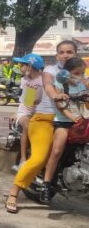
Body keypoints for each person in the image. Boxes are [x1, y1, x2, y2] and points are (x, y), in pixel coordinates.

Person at [5, 40, 78, 213]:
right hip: (44, 120)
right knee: (39, 158)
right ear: (57, 55)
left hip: (70, 119)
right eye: (62, 52)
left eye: (69, 52)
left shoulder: (79, 71)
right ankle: (14, 193)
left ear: (76, 53)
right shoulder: (49, 71)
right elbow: (46, 89)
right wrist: (55, 95)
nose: (65, 55)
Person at [41, 56, 88, 203]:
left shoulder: (82, 85)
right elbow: (61, 106)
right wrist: (71, 117)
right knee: (56, 151)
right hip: (64, 122)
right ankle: (46, 185)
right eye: (77, 73)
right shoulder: (60, 84)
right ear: (67, 72)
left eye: (82, 73)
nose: (80, 76)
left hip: (81, 121)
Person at [9, 54, 44, 172]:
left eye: (22, 65)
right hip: (25, 113)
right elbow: (28, 102)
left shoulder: (43, 80)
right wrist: (17, 113)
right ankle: (23, 160)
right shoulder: (26, 80)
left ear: (29, 67)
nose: (20, 67)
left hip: (39, 113)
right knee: (28, 126)